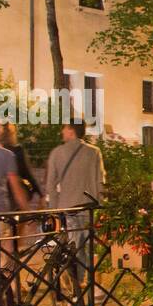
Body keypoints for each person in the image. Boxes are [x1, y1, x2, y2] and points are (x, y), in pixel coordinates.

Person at [43, 121, 106, 282]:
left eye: (64, 128)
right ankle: (91, 282)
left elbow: (50, 185)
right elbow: (101, 182)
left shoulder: (57, 153)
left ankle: (76, 281)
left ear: (71, 131)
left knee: (72, 245)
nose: (62, 132)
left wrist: (54, 209)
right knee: (89, 245)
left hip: (67, 209)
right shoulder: (94, 152)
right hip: (89, 208)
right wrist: (101, 205)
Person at [0, 121, 40, 203]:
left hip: (0, 195)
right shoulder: (17, 151)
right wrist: (40, 193)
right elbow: (27, 174)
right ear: (13, 133)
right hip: (16, 194)